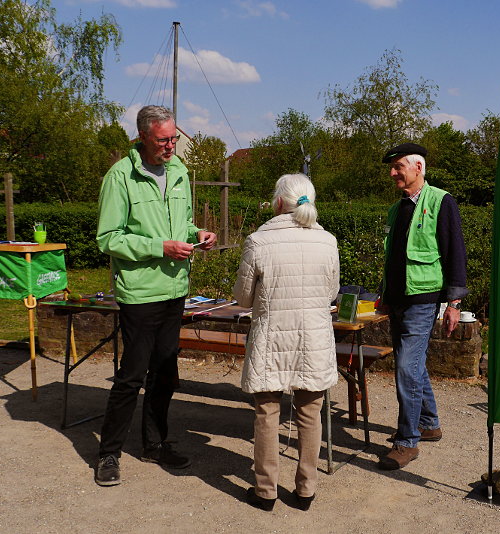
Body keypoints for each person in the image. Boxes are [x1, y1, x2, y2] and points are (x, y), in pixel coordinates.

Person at [94, 105, 217, 486]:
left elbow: (183, 222)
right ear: (143, 137)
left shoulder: (179, 171)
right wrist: (159, 248)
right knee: (132, 376)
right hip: (141, 292)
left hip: (175, 289)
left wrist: (198, 234)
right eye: (164, 139)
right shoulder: (120, 177)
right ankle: (108, 454)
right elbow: (108, 238)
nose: (171, 146)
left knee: (165, 373)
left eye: (174, 138)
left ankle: (155, 444)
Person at [233, 173, 340, 511]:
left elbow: (243, 299)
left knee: (266, 412)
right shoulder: (328, 241)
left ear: (278, 203)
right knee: (311, 412)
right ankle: (306, 488)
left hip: (271, 338)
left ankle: (266, 491)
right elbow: (331, 292)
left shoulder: (257, 241)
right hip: (314, 338)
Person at [377, 142, 468, 471]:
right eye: (393, 167)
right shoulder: (396, 208)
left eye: (398, 166)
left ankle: (407, 441)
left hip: (423, 300)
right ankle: (429, 423)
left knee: (405, 368)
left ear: (417, 168)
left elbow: (455, 250)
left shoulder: (441, 201)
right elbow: (391, 258)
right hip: (399, 299)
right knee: (412, 365)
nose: (393, 173)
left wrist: (454, 302)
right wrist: (384, 294)